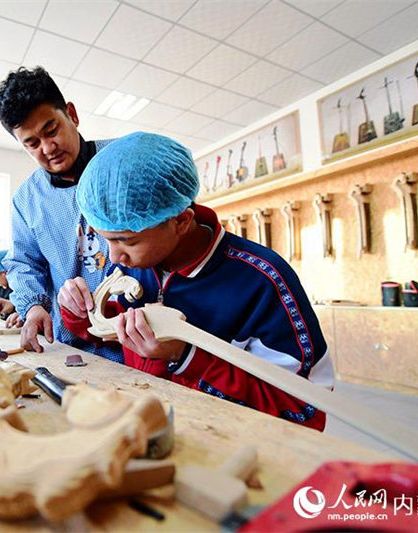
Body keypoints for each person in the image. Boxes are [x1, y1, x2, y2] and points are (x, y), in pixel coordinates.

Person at [57, 132, 334, 431]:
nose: (114, 257)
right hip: (148, 429)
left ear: (181, 221)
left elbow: (304, 410)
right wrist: (79, 311)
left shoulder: (262, 281)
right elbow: (111, 332)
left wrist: (186, 356)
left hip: (227, 441)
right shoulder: (136, 266)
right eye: (106, 239)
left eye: (126, 240)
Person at [0, 66, 140, 358]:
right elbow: (23, 263)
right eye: (32, 144)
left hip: (138, 339)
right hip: (70, 345)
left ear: (71, 114)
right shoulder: (27, 200)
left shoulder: (124, 163)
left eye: (51, 131)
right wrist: (33, 307)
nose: (48, 148)